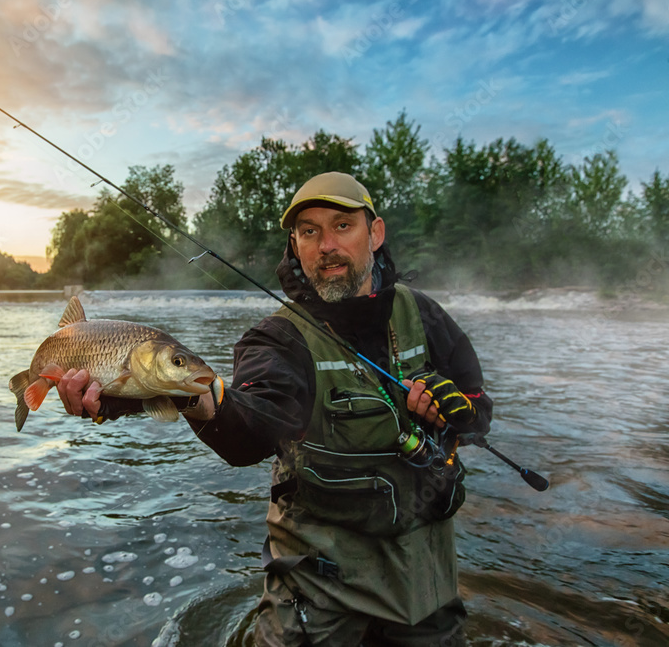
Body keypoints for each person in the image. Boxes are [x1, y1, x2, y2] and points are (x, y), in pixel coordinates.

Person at [56, 172, 492, 646]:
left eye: (342, 225)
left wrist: (459, 411)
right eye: (309, 231)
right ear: (295, 243)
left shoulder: (425, 316)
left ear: (376, 233)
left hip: (424, 581)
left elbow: (478, 411)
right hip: (318, 589)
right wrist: (153, 392)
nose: (325, 244)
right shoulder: (277, 340)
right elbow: (249, 427)